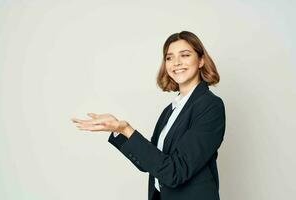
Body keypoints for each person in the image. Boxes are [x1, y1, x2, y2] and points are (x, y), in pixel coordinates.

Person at [71, 31, 226, 200]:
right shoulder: (171, 110)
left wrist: (127, 129)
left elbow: (174, 172)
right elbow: (152, 164)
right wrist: (120, 130)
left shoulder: (210, 106)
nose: (176, 63)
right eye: (169, 58)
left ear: (201, 60)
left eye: (185, 55)